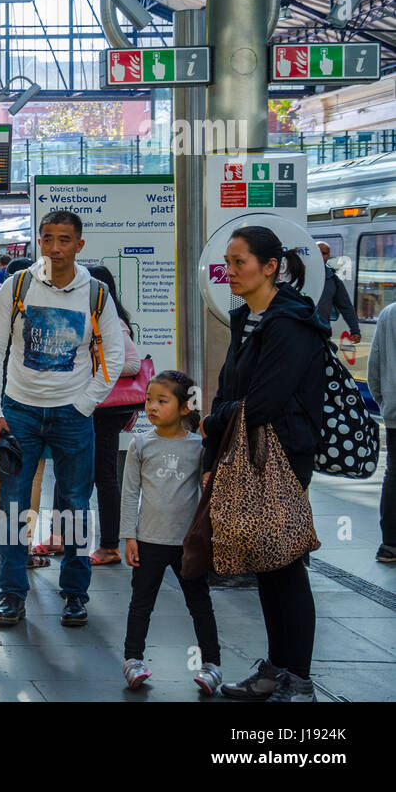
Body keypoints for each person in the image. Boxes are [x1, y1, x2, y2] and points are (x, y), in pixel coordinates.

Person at [0, 209, 126, 629]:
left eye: (65, 240)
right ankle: (11, 593)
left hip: (72, 416)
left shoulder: (96, 294)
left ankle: (75, 595)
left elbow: (113, 356)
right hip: (19, 413)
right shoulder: (18, 285)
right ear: (39, 242)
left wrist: (84, 403)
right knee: (13, 507)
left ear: (79, 245)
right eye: (48, 239)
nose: (56, 247)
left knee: (75, 506)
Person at [203, 225, 327, 702]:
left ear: (270, 267)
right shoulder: (246, 319)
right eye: (228, 262)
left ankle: (298, 679)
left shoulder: (291, 322)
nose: (229, 271)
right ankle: (277, 669)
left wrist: (212, 424)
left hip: (282, 455)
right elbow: (231, 391)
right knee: (267, 563)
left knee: (287, 563)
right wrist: (215, 453)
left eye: (239, 262)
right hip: (246, 452)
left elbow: (266, 401)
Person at [120, 370, 222, 695]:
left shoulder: (198, 448)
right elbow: (129, 493)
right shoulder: (140, 444)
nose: (152, 406)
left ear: (183, 408)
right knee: (141, 603)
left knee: (199, 603)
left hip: (186, 544)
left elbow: (206, 493)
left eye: (161, 401)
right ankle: (133, 660)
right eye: (149, 399)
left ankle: (212, 665)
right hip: (148, 540)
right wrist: (129, 535)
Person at [0, 257, 50, 569]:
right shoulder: (35, 309)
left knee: (3, 472)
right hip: (26, 398)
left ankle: (5, 542)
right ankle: (24, 546)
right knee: (33, 474)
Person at [86, 264, 142, 567]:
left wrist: (93, 368)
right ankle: (64, 537)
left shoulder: (114, 323)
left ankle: (110, 545)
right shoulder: (94, 318)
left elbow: (132, 364)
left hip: (105, 412)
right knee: (85, 475)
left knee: (104, 476)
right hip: (93, 409)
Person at [365, 298, 396, 564]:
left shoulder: (389, 314)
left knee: (394, 474)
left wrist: (386, 404)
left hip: (395, 414)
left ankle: (390, 545)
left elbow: (373, 368)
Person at [314, 241, 361, 341]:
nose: (321, 256)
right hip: (300, 331)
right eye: (318, 252)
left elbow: (346, 306)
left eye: (324, 253)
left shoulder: (333, 280)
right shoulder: (301, 274)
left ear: (328, 256)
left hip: (322, 333)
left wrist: (355, 330)